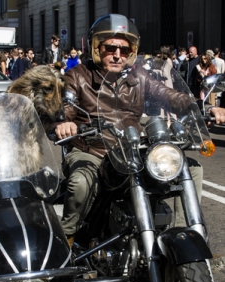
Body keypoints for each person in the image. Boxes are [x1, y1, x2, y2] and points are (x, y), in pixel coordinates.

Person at [54, 14, 225, 247]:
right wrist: (64, 122)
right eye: (110, 48)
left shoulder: (139, 77)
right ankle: (67, 238)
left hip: (131, 150)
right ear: (96, 47)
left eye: (124, 50)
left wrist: (201, 107)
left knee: (189, 168)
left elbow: (169, 96)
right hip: (92, 149)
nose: (117, 54)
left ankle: (186, 236)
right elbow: (60, 109)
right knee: (81, 182)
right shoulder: (77, 76)